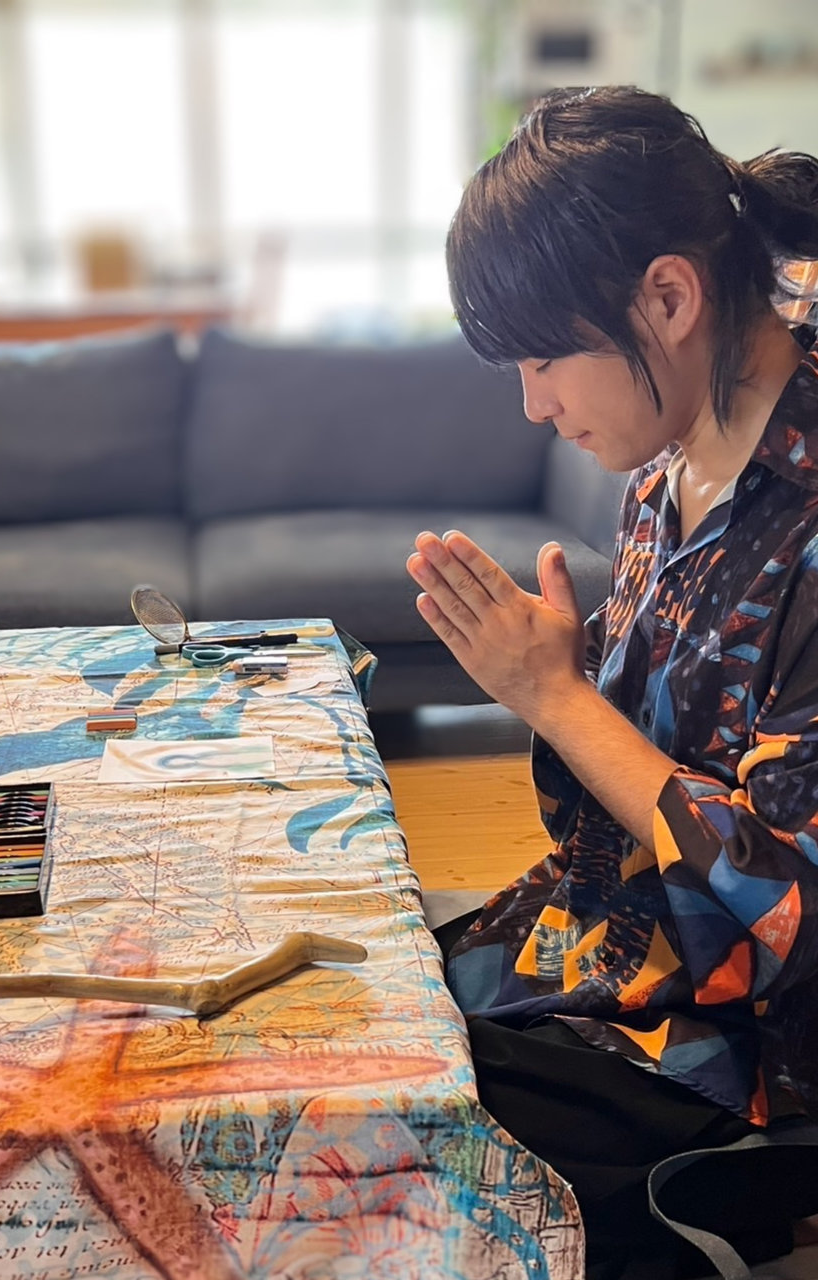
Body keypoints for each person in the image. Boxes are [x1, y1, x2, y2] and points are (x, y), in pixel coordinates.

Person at [407, 84, 818, 1280]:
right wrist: (574, 680)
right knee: (361, 995)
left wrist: (559, 699)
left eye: (544, 358)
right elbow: (636, 793)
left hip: (736, 1054)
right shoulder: (672, 449)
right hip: (615, 939)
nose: (534, 405)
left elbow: (790, 910)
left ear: (670, 298)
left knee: (384, 1132)